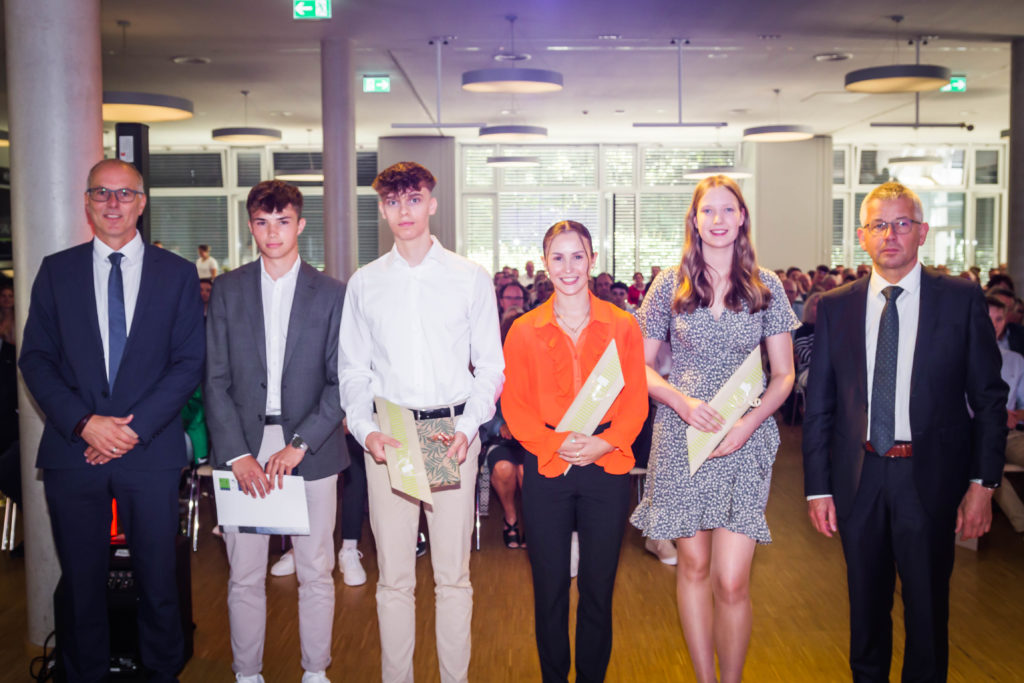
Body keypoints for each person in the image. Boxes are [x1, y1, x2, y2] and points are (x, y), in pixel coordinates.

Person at [803, 181, 1007, 682]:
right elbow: (821, 405)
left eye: (901, 224)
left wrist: (983, 485)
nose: (890, 235)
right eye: (879, 225)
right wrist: (818, 488)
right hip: (860, 477)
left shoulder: (959, 299)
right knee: (866, 615)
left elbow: (989, 399)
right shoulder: (837, 305)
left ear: (922, 232)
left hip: (930, 479)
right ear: (862, 236)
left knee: (928, 615)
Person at [19, 159, 205, 681]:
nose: (113, 203)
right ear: (87, 203)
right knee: (81, 584)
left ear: (142, 203)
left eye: (125, 193)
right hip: (73, 452)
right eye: (101, 192)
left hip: (150, 451)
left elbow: (188, 362)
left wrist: (129, 430)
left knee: (159, 582)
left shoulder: (177, 274)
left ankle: (162, 672)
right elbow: (36, 359)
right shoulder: (57, 271)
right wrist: (85, 424)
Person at [339, 161, 503, 683]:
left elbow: (490, 367)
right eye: (392, 202)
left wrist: (469, 428)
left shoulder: (468, 276)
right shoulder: (365, 283)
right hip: (392, 435)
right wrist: (365, 430)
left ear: (431, 203)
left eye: (413, 199)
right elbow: (353, 370)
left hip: (449, 433)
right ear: (383, 209)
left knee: (452, 577)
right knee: (394, 580)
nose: (403, 211)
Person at [630, 175, 798, 683]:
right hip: (684, 436)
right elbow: (639, 367)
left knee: (731, 581)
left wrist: (748, 424)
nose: (718, 219)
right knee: (694, 568)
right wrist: (681, 403)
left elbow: (784, 374)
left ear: (742, 217)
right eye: (709, 210)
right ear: (695, 219)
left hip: (744, 439)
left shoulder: (766, 285)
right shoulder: (669, 284)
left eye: (728, 210)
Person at [204, 180, 347, 683]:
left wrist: (299, 443)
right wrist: (236, 453)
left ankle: (315, 672)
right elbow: (214, 379)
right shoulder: (228, 289)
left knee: (315, 569)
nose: (272, 233)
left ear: (300, 225)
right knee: (244, 573)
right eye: (262, 223)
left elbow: (341, 381)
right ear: (251, 227)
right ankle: (247, 674)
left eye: (282, 222)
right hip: (242, 445)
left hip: (312, 446)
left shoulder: (332, 293)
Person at [502, 220, 648, 683]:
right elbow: (514, 406)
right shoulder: (523, 330)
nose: (569, 268)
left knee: (598, 589)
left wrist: (605, 442)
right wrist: (555, 443)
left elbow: (636, 400)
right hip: (547, 463)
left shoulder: (622, 325)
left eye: (578, 256)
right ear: (545, 264)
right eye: (558, 257)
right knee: (549, 589)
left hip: (607, 463)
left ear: (592, 261)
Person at [986, 295, 1024, 535]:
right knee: (990, 467)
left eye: (999, 319)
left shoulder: (1015, 360)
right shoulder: (959, 354)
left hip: (1009, 432)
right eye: (988, 318)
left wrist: (1015, 415)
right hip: (976, 433)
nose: (994, 324)